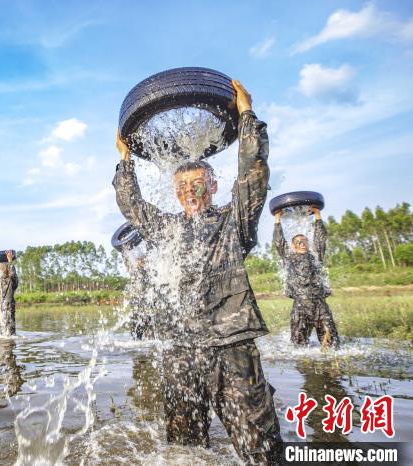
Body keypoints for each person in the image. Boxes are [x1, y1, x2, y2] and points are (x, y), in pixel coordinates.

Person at [113, 80, 282, 463]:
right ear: (176, 193)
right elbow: (132, 206)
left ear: (213, 184)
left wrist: (245, 117)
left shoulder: (233, 220)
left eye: (197, 182)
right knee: (185, 451)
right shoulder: (167, 229)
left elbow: (254, 173)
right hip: (180, 350)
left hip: (231, 346)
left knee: (261, 448)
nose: (190, 190)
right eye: (183, 185)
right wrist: (125, 159)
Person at [273, 207, 339, 349]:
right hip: (300, 306)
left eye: (304, 241)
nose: (302, 243)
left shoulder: (315, 257)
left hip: (320, 305)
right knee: (298, 346)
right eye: (298, 242)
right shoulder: (289, 257)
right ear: (293, 246)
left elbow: (320, 239)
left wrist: (317, 215)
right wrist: (277, 220)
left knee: (332, 344)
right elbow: (279, 242)